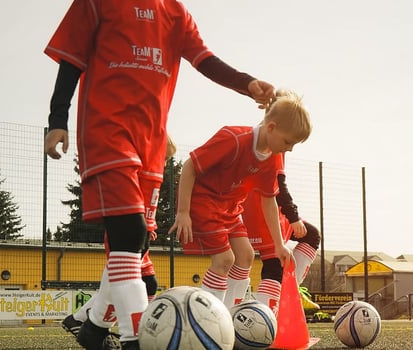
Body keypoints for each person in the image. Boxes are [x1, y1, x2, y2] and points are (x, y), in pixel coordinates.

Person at [43, 1, 275, 348]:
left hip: (152, 148)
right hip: (106, 133)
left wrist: (247, 83)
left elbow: (204, 60)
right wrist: (57, 120)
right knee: (129, 235)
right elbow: (71, 59)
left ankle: (91, 330)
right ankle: (136, 340)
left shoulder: (175, 13)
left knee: (134, 247)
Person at [169, 89, 311, 309]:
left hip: (230, 208)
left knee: (245, 255)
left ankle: (229, 315)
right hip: (204, 203)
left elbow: (269, 201)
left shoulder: (271, 159)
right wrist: (183, 212)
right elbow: (189, 166)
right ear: (271, 128)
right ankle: (204, 318)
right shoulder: (233, 139)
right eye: (287, 142)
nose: (289, 149)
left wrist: (279, 244)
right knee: (225, 260)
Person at [61, 136, 178, 346]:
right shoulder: (136, 171)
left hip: (141, 234)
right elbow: (129, 206)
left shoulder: (153, 175)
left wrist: (149, 227)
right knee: (129, 279)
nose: (163, 163)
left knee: (145, 283)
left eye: (166, 159)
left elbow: (146, 207)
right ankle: (97, 325)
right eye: (161, 157)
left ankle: (88, 324)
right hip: (127, 233)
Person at [240, 162, 321, 314]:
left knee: (311, 235)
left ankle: (289, 291)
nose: (289, 147)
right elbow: (280, 188)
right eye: (289, 142)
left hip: (262, 212)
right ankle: (264, 316)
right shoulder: (273, 150)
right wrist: (294, 217)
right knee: (273, 268)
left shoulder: (261, 144)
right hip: (266, 215)